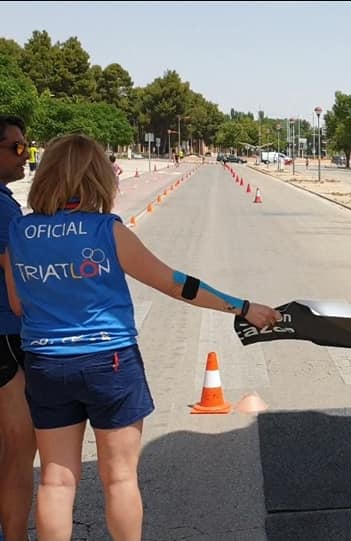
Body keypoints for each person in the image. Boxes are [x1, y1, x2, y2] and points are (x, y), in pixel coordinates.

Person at [0, 133, 282, 541]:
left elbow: (18, 303)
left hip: (46, 364)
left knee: (57, 482)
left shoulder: (20, 234)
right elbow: (174, 284)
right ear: (97, 176)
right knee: (119, 478)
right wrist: (243, 307)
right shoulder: (105, 231)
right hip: (109, 363)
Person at [0, 115, 36, 541]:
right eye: (16, 147)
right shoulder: (2, 207)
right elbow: (17, 272)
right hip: (6, 334)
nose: (25, 154)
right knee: (18, 447)